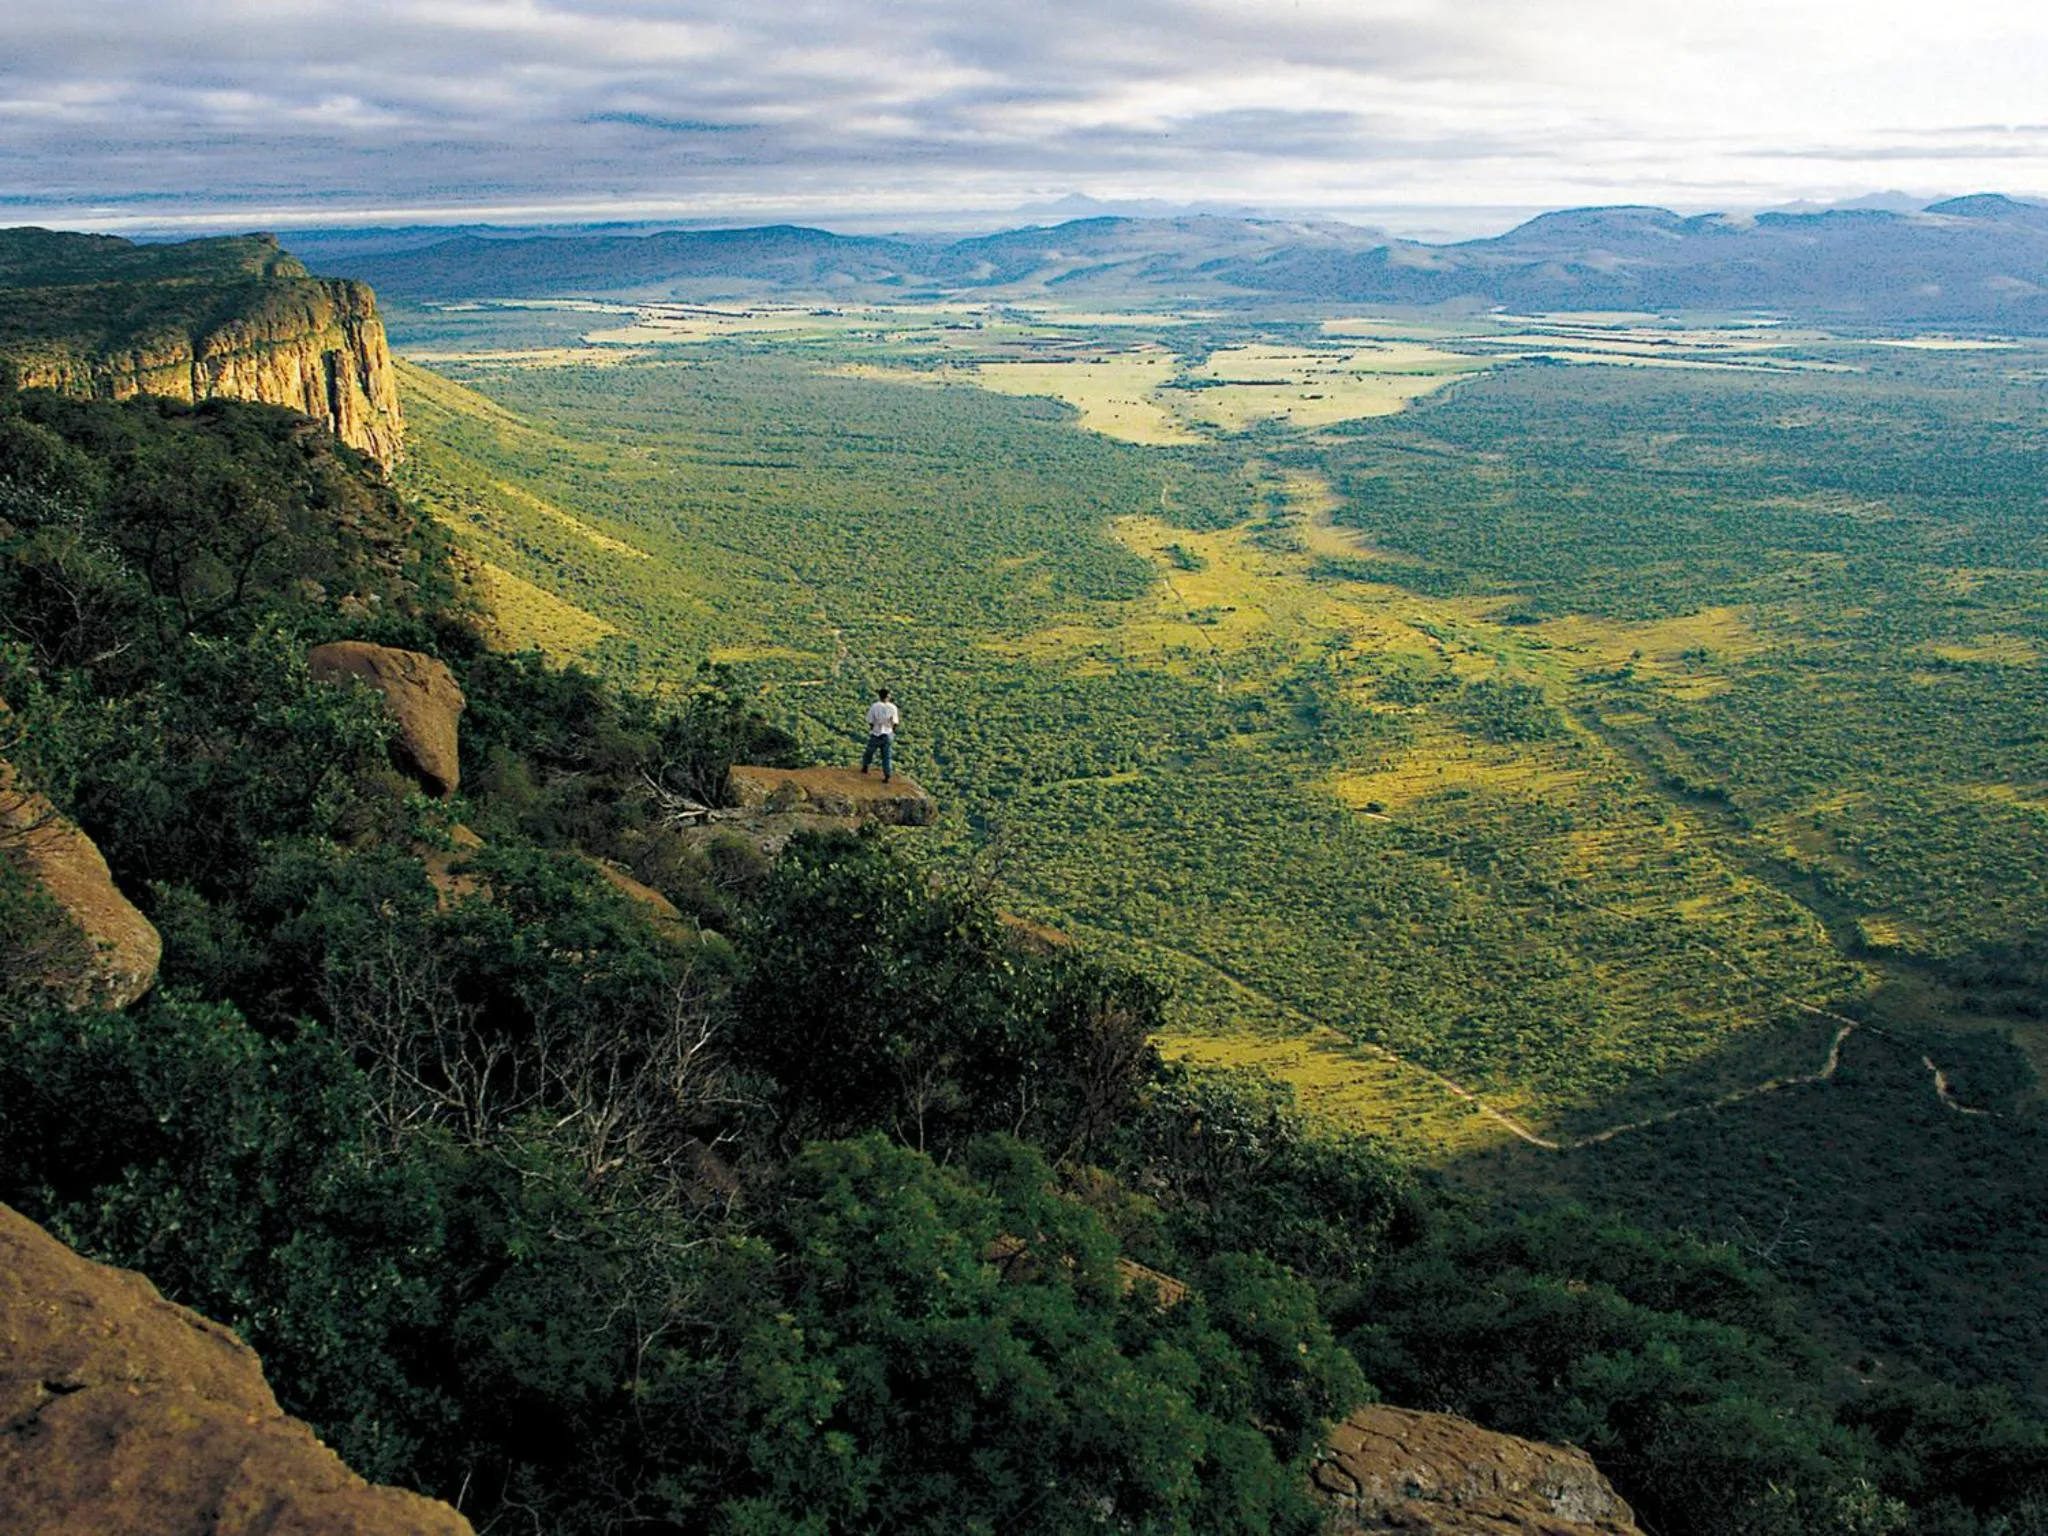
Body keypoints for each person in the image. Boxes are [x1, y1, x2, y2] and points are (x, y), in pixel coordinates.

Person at [861, 688, 900, 782]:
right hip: (888, 733)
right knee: (887, 756)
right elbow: (895, 722)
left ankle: (865, 767)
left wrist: (873, 728)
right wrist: (892, 731)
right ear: (888, 696)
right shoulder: (893, 707)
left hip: (876, 733)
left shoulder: (875, 706)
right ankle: (887, 775)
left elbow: (870, 720)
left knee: (869, 752)